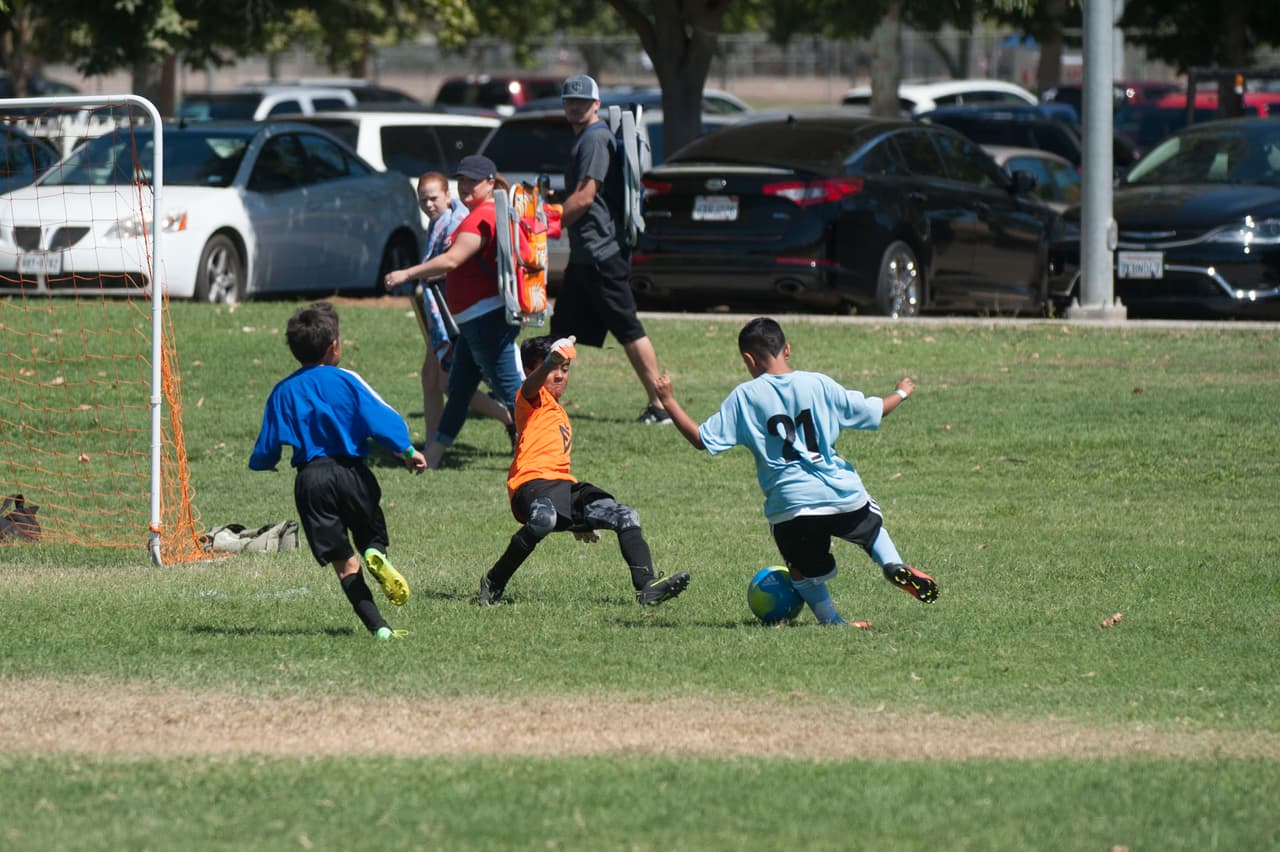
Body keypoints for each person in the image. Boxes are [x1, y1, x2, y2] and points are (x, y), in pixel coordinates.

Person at [654, 317, 937, 628]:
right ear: (787, 349)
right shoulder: (818, 383)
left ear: (748, 359)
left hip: (791, 506)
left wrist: (668, 400)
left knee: (800, 569)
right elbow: (873, 410)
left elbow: (701, 439)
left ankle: (832, 621)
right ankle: (892, 563)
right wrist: (901, 392)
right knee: (870, 529)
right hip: (841, 494)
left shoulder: (745, 396)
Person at [249, 302, 427, 641]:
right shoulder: (347, 381)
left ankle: (381, 629)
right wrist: (407, 450)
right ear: (334, 346)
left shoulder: (283, 391)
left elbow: (268, 442)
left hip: (311, 479)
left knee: (344, 562)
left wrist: (264, 462)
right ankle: (375, 552)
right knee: (369, 534)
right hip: (352, 473)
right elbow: (382, 419)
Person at [479, 333, 691, 608]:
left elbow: (558, 467)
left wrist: (576, 519)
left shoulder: (559, 414)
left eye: (564, 369)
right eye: (551, 368)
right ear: (532, 370)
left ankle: (647, 587)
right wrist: (548, 364)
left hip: (563, 488)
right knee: (544, 518)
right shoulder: (530, 399)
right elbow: (530, 387)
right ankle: (493, 582)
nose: (559, 376)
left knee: (625, 515)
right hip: (530, 485)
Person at [384, 154, 524, 469]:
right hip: (472, 324)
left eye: (473, 181)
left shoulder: (479, 217)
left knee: (513, 393)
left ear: (490, 182)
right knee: (458, 392)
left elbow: (452, 260)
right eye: (461, 181)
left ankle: (549, 448)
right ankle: (432, 457)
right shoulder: (482, 213)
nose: (466, 187)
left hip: (486, 321)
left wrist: (408, 273)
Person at [552, 73, 669, 425]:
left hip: (602, 255)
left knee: (629, 330)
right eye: (570, 101)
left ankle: (661, 406)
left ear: (596, 105)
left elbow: (586, 196)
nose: (575, 107)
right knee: (561, 330)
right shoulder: (589, 138)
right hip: (587, 255)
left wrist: (549, 222)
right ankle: (539, 396)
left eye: (582, 102)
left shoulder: (594, 139)